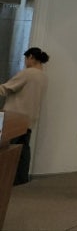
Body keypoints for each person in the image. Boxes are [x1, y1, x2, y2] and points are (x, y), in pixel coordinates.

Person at [0, 47, 50, 185]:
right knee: (23, 150)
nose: (25, 62)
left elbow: (7, 88)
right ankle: (21, 180)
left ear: (31, 57)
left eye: (26, 59)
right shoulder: (44, 77)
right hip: (29, 119)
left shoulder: (28, 73)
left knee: (6, 149)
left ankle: (3, 180)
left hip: (14, 118)